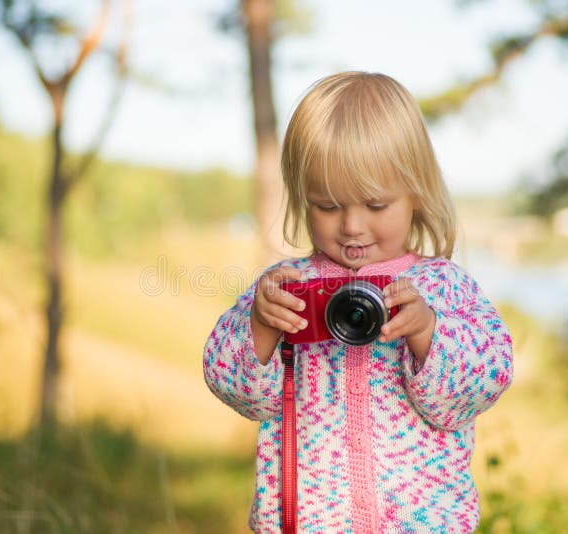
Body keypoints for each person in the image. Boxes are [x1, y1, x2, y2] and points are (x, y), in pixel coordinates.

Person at [203, 71, 513, 533]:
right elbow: (237, 390)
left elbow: (484, 384)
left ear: (415, 193)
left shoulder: (443, 287)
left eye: (374, 205)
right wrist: (260, 328)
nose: (351, 226)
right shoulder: (289, 287)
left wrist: (428, 333)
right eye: (327, 206)